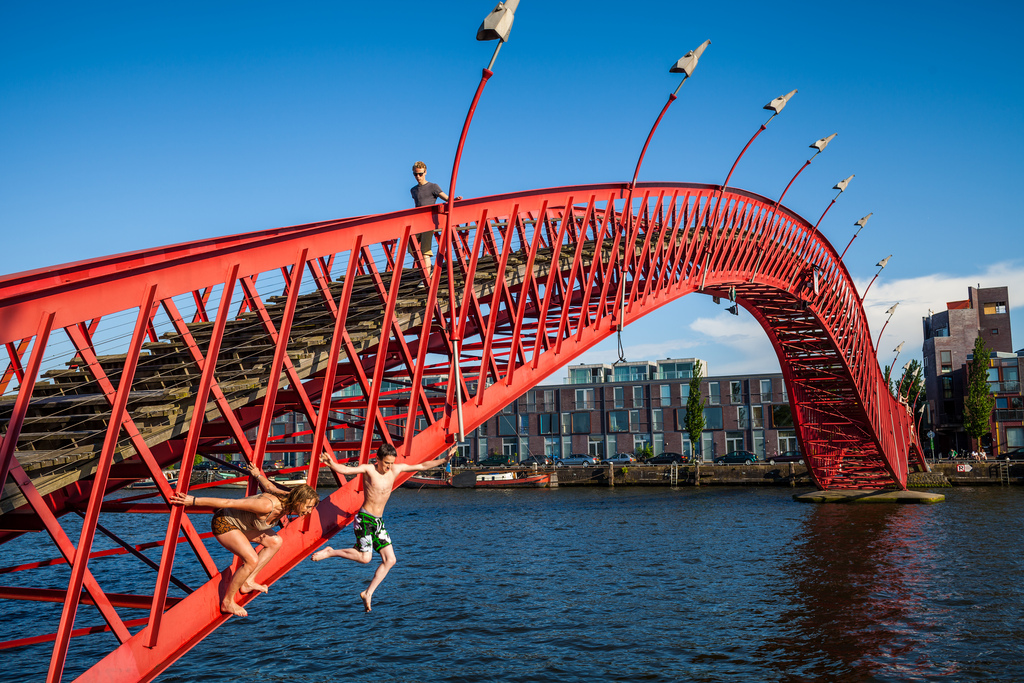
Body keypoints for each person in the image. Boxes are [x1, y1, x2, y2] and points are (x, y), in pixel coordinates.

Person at [312, 442, 457, 612]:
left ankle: (368, 593)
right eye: (386, 462)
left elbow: (422, 465)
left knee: (391, 560)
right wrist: (331, 463)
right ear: (378, 459)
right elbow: (346, 470)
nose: (389, 466)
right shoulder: (369, 470)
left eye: (391, 463)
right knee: (365, 558)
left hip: (378, 522)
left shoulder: (395, 469)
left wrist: (444, 460)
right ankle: (331, 552)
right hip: (365, 518)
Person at [171, 463, 319, 617]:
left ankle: (248, 582)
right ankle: (227, 602)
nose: (308, 512)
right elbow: (229, 503)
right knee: (251, 560)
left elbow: (268, 486)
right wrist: (193, 501)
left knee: (276, 541)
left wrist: (257, 474)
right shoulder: (266, 505)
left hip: (244, 526)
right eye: (308, 507)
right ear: (298, 501)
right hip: (224, 523)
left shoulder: (287, 498)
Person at [409, 161, 460, 279]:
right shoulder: (413, 190)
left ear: (425, 172)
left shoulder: (433, 187)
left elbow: (447, 198)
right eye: (415, 174)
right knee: (411, 249)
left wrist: (455, 200)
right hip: (417, 222)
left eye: (420, 174)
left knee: (425, 250)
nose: (418, 177)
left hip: (429, 222)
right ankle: (428, 267)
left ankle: (426, 276)